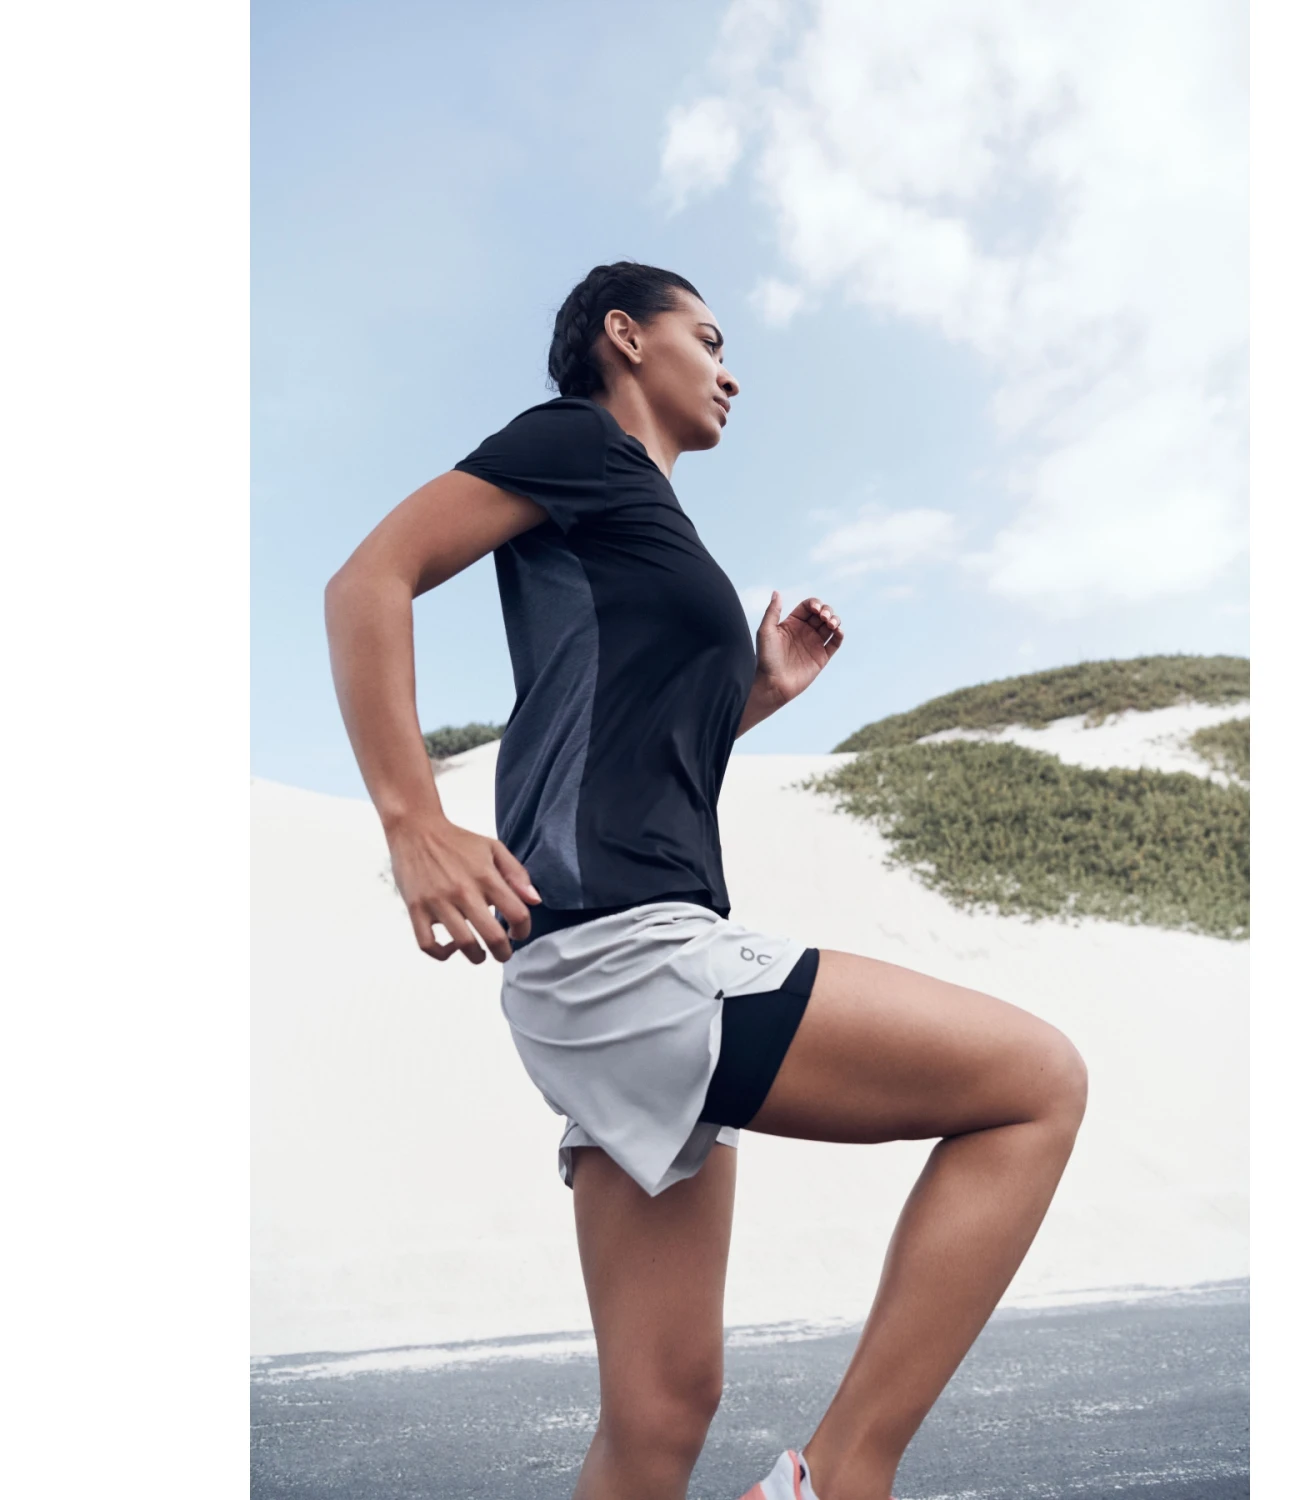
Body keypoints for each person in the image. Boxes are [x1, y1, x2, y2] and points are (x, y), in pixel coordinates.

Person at [324, 261, 1088, 1500]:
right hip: (629, 953)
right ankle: (842, 1476)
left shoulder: (646, 520)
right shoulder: (578, 442)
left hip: (608, 956)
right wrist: (413, 819)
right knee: (1036, 1084)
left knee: (661, 1416)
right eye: (710, 337)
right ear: (625, 337)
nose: (732, 371)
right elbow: (368, 579)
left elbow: (623, 746)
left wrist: (753, 693)